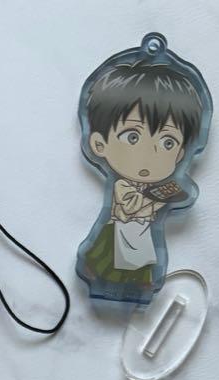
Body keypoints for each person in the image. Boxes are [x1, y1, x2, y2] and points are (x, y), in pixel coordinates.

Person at [79, 55, 205, 302]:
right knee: (113, 263)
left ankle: (136, 286)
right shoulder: (122, 185)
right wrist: (156, 199)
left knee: (139, 264)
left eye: (167, 142)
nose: (150, 154)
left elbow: (158, 204)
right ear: (99, 144)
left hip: (141, 234)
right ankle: (108, 280)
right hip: (120, 233)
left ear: (180, 154)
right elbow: (131, 207)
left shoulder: (160, 185)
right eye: (132, 137)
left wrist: (163, 198)